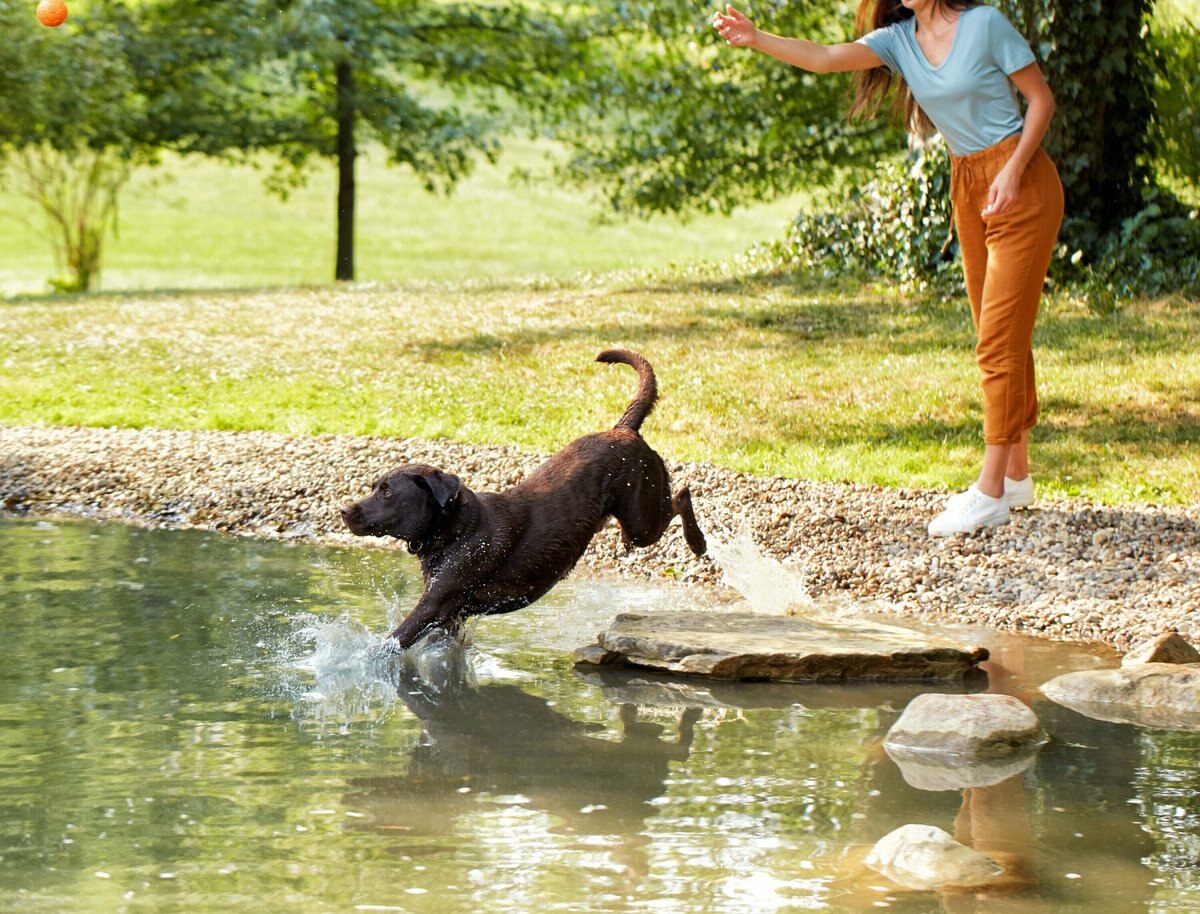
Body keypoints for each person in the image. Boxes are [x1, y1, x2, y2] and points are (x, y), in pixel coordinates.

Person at [713, 1, 1063, 536]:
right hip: (968, 185)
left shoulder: (985, 25)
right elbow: (826, 56)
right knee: (999, 333)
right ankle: (1016, 473)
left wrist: (1014, 171)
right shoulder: (899, 40)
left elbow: (1041, 101)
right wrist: (758, 38)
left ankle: (991, 492)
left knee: (997, 342)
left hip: (1022, 182)